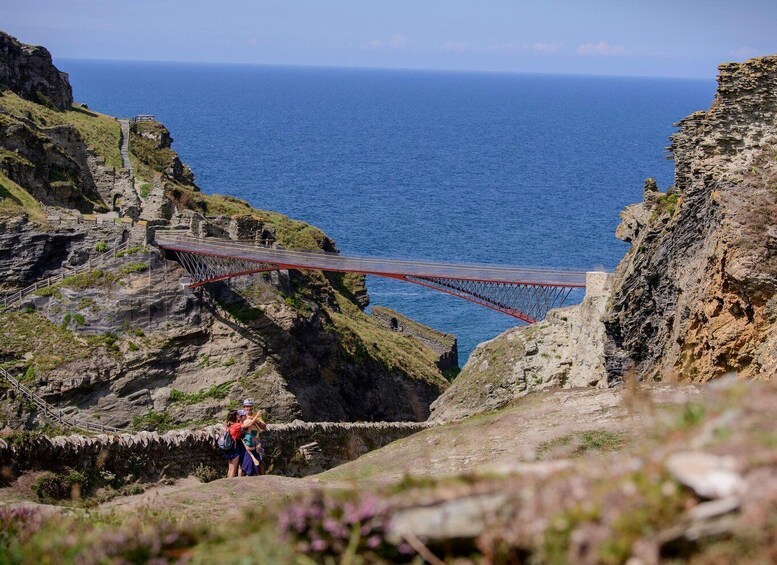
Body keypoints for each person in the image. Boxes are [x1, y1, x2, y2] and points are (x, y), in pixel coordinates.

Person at [240, 399, 267, 476]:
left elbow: (264, 427)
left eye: (250, 407)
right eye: (247, 407)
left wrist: (256, 420)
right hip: (245, 441)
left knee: (259, 460)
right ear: (244, 407)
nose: (248, 408)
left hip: (256, 440)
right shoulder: (241, 415)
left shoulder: (256, 415)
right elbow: (242, 427)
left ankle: (262, 477)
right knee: (245, 461)